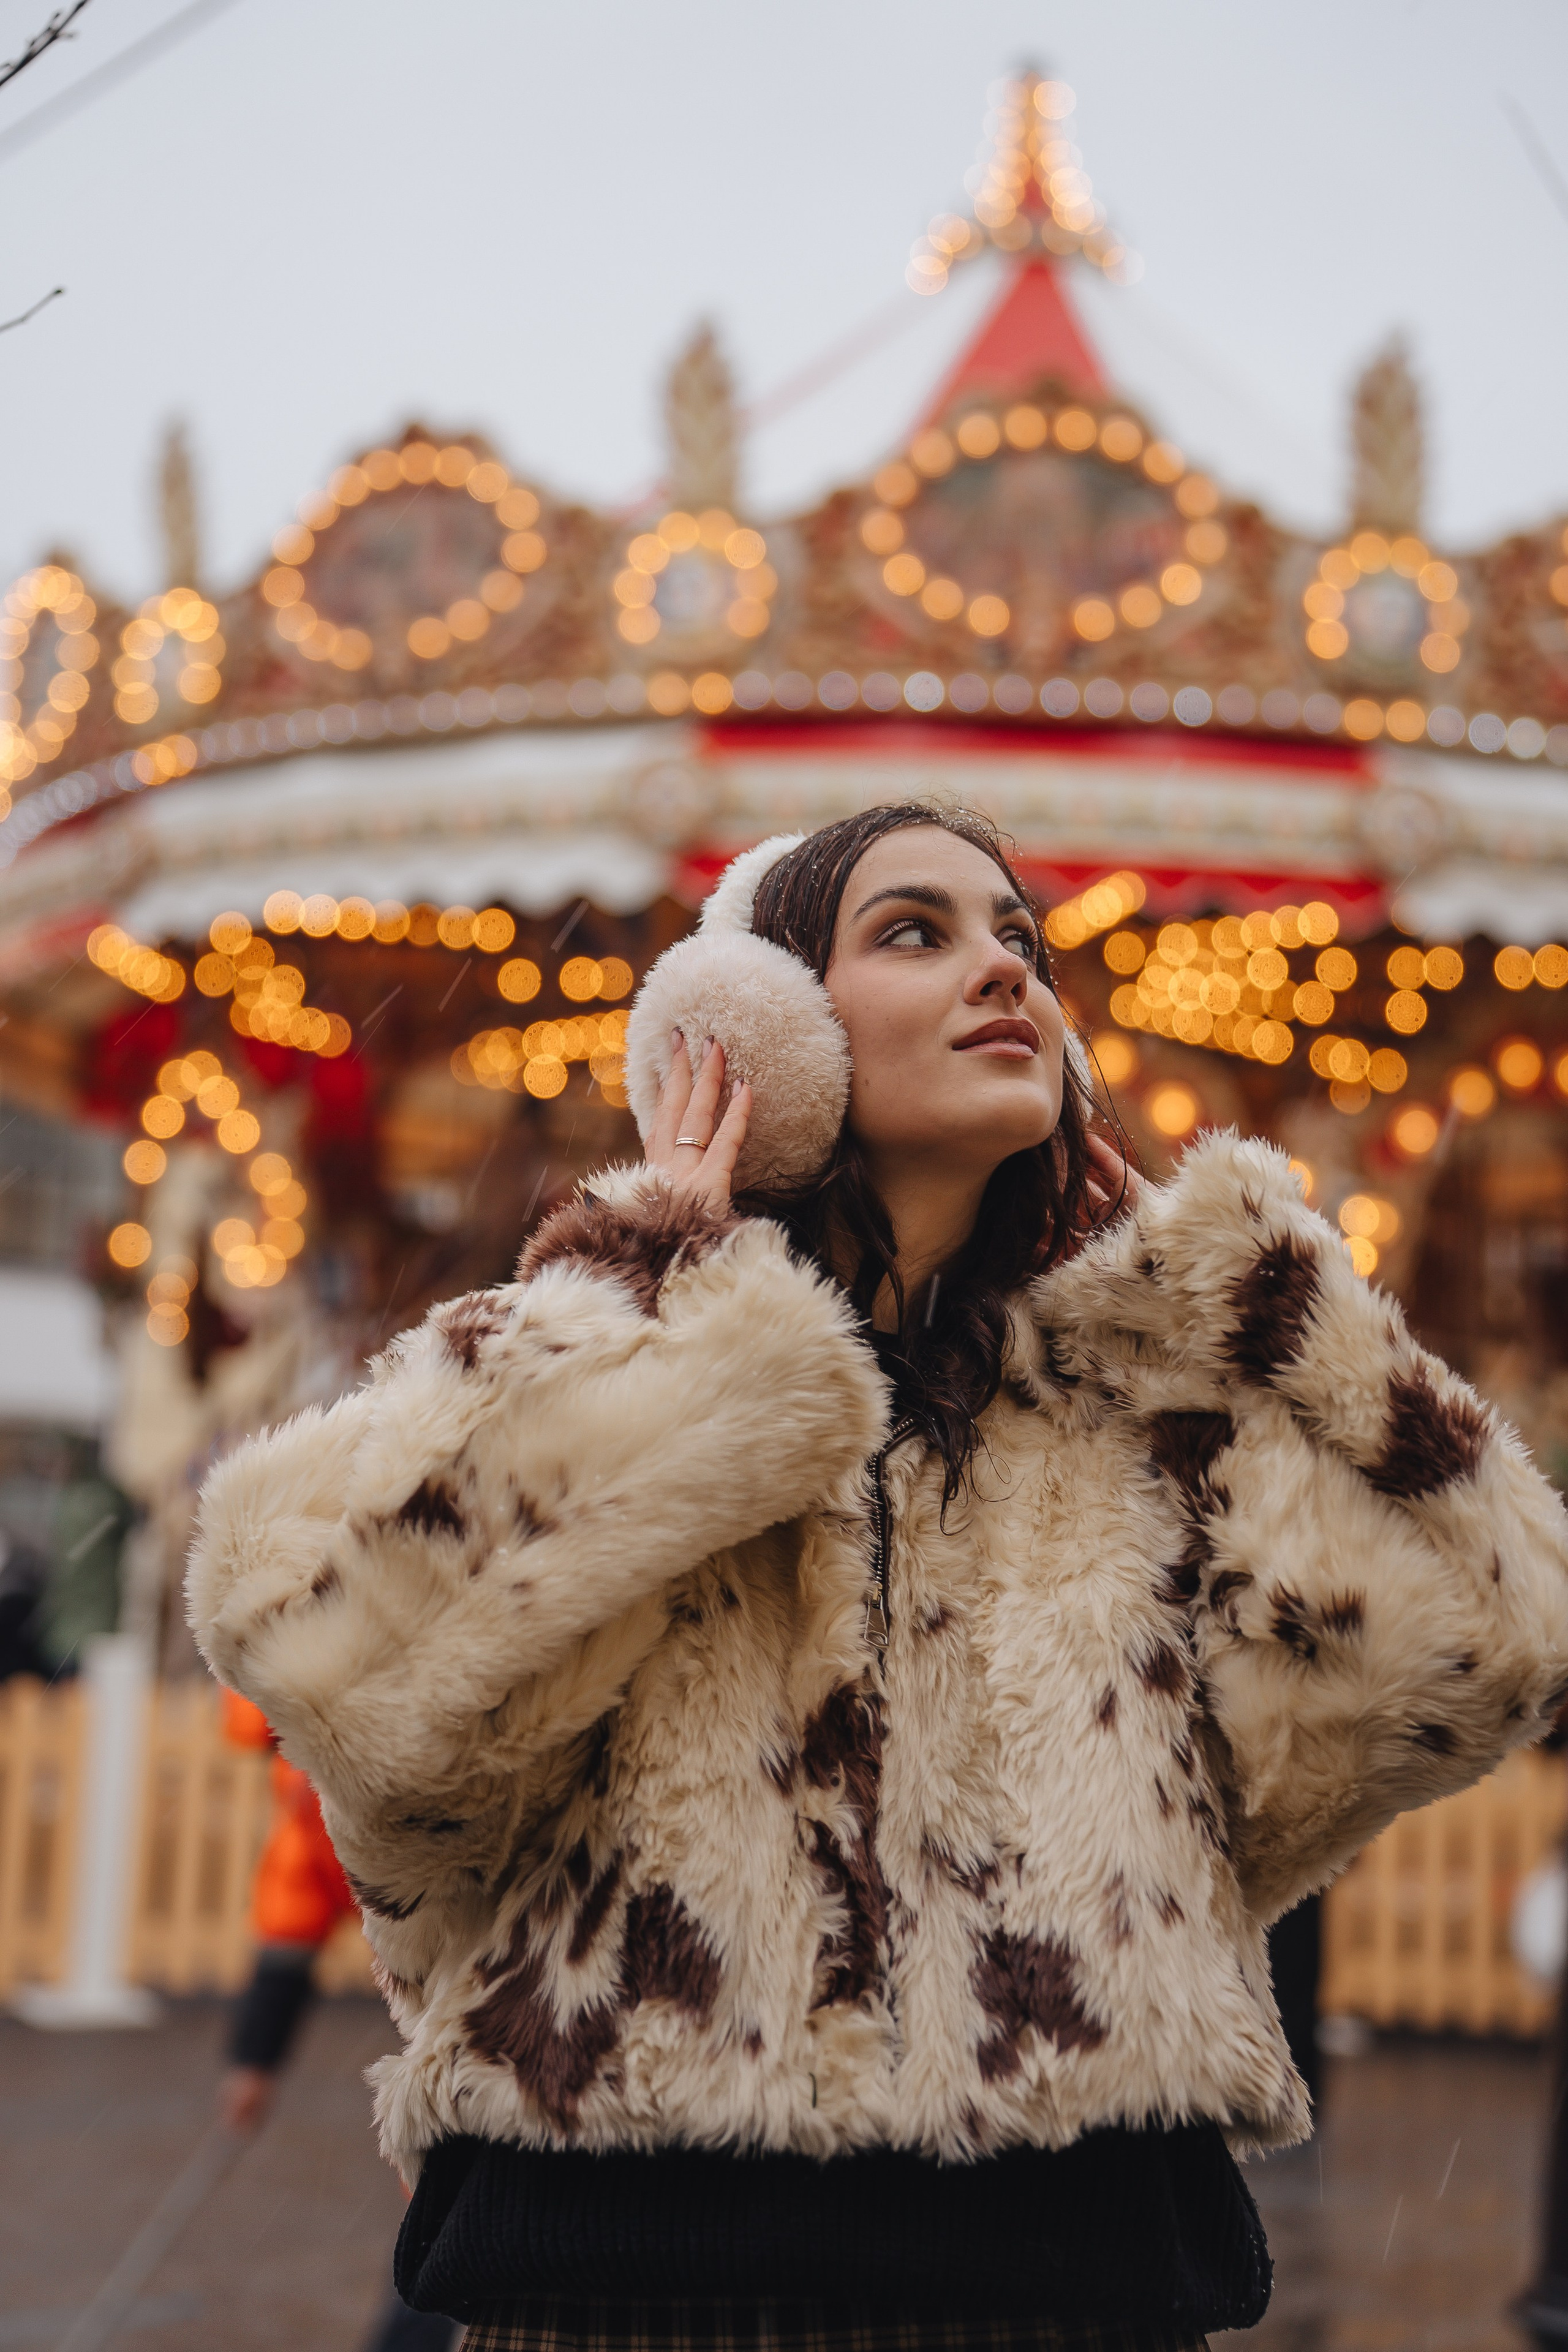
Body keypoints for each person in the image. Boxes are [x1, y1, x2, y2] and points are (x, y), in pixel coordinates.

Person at [188, 805, 1568, 2352]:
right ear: (762, 1026)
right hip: (642, 2285)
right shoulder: (615, 1364)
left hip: (1072, 2286)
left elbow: (1499, 1626)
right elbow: (331, 1659)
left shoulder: (1134, 1421)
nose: (1001, 968)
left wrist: (1253, 1296)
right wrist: (644, 1290)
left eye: (1017, 938)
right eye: (915, 930)